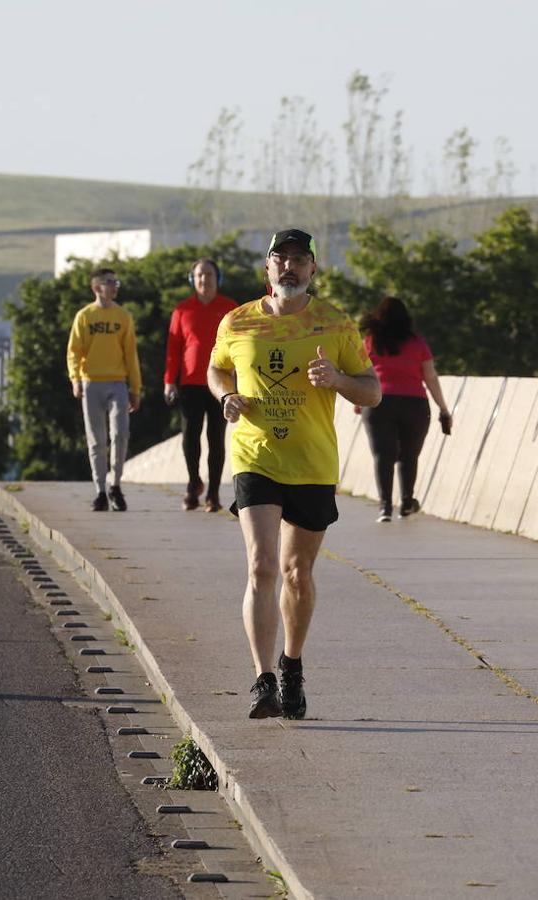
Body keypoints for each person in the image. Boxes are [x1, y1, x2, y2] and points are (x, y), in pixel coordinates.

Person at [207, 229, 381, 720]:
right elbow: (216, 369)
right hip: (255, 457)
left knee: (296, 572)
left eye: (299, 260)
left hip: (312, 463)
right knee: (262, 565)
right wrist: (227, 395)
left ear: (313, 270)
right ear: (266, 269)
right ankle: (262, 680)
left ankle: (292, 665)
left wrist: (339, 380)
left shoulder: (335, 324)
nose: (290, 267)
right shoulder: (237, 322)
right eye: (280, 259)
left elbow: (372, 392)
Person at [357, 296, 452, 522]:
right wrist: (443, 408)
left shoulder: (370, 342)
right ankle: (407, 502)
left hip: (378, 402)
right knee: (410, 455)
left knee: (383, 455)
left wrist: (359, 401)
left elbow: (360, 374)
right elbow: (430, 377)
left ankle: (385, 507)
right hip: (414, 404)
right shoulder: (417, 343)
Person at [164, 258, 238, 512]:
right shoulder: (182, 310)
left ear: (218, 278)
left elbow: (241, 347)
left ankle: (214, 494)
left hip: (221, 383)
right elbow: (173, 349)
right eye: (199, 275)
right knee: (190, 436)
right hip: (191, 382)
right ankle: (194, 482)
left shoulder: (230, 309)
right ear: (192, 280)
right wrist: (168, 382)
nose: (204, 279)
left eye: (208, 275)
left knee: (216, 439)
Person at [67, 267, 141, 512]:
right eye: (109, 282)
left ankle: (115, 485)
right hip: (91, 383)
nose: (114, 286)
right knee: (96, 440)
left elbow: (131, 354)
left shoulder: (123, 317)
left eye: (115, 282)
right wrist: (75, 379)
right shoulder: (85, 316)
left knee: (120, 434)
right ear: (97, 287)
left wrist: (135, 388)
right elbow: (74, 351)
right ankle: (99, 490)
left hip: (117, 383)